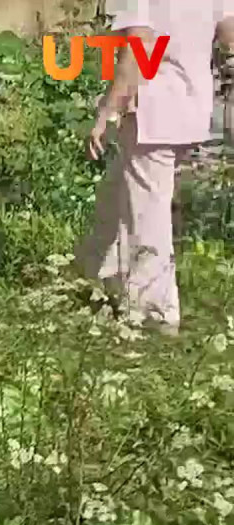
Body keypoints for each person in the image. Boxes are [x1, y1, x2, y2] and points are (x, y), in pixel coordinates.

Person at [78, 1, 234, 335]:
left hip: (154, 110)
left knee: (147, 216)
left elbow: (139, 48)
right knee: (117, 194)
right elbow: (229, 34)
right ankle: (105, 282)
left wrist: (107, 110)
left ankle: (155, 315)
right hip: (192, 106)